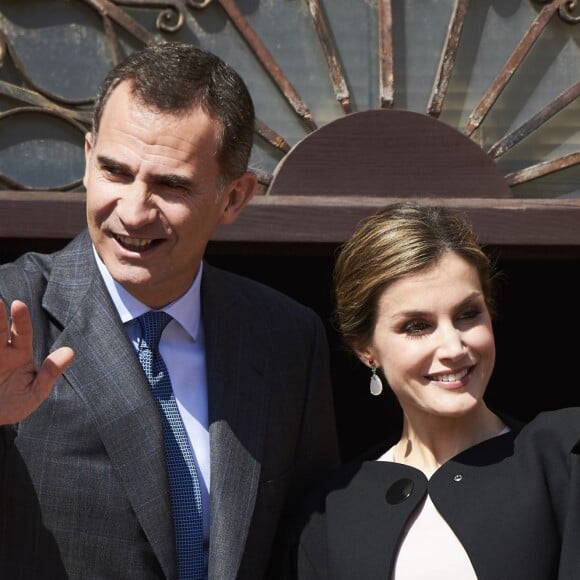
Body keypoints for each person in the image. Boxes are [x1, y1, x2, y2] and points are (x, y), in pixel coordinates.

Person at [0, 41, 339, 580]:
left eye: (170, 185)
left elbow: (311, 547)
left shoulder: (286, 339)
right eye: (115, 171)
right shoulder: (10, 312)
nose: (133, 212)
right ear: (87, 160)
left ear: (234, 198)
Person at [291, 202, 580, 579]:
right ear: (366, 349)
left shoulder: (565, 456)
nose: (454, 348)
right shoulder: (331, 508)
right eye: (416, 326)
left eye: (468, 314)